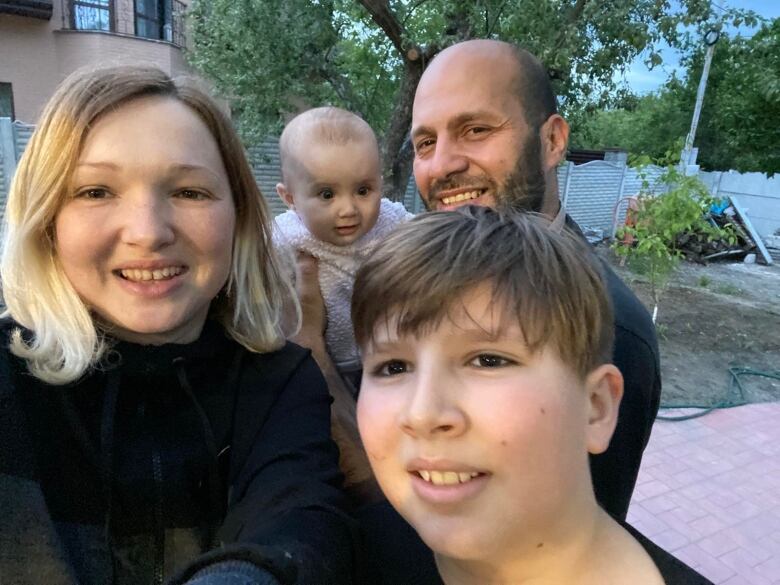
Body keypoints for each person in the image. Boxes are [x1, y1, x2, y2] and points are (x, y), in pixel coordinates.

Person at [0, 66, 354, 585]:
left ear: (237, 215)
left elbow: (302, 531)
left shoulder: (281, 383)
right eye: (96, 191)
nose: (148, 232)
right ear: (47, 218)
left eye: (189, 192)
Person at [353, 207, 711, 585]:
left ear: (595, 408)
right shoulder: (347, 553)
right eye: (393, 367)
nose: (422, 413)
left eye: (488, 360)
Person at [409, 39, 661, 520]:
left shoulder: (606, 329)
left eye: (475, 129)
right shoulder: (431, 281)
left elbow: (573, 542)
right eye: (425, 143)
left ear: (552, 141)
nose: (442, 165)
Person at [274, 106, 411, 390]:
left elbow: (431, 239)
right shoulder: (284, 236)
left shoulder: (391, 220)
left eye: (363, 190)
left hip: (390, 354)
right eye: (327, 194)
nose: (348, 209)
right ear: (290, 198)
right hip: (322, 361)